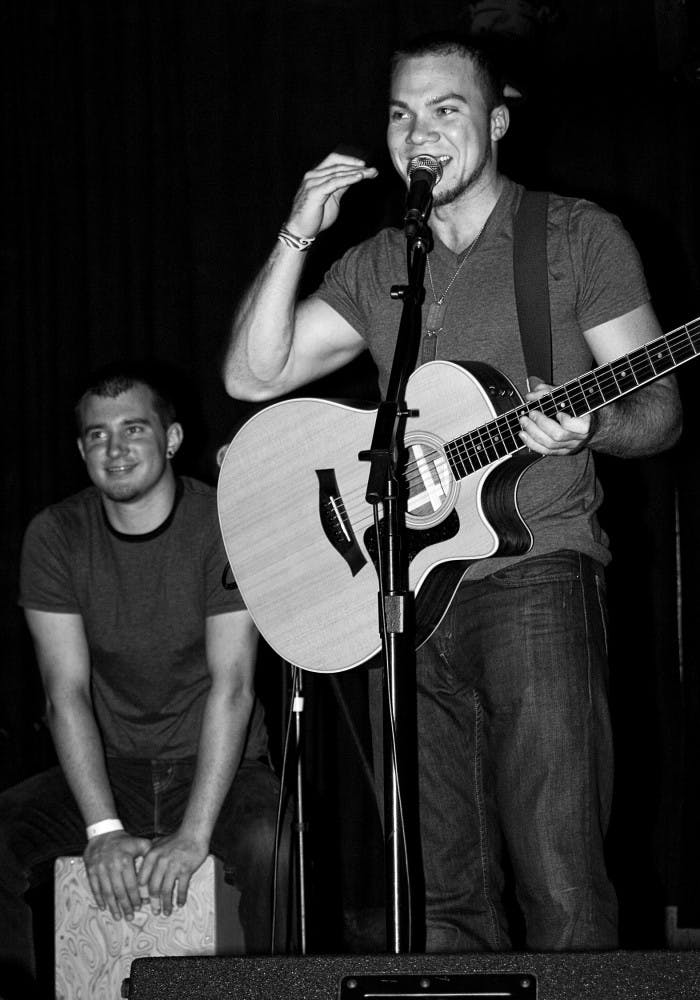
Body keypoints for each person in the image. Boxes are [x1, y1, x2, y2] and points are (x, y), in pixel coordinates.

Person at [221, 31, 682, 953]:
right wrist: (298, 232)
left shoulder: (575, 235)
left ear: (497, 123)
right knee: (438, 899)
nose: (419, 132)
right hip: (400, 600)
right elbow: (250, 374)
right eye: (401, 114)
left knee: (560, 884)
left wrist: (595, 426)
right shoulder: (383, 260)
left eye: (446, 110)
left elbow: (660, 406)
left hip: (535, 576)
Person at [0, 363, 290, 994]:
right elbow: (64, 694)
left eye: (134, 428)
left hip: (220, 767)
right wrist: (103, 830)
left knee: (276, 843)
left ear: (173, 438)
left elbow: (233, 686)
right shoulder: (55, 535)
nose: (116, 447)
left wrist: (193, 834)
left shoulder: (222, 522)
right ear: (81, 450)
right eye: (98, 435)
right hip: (115, 769)